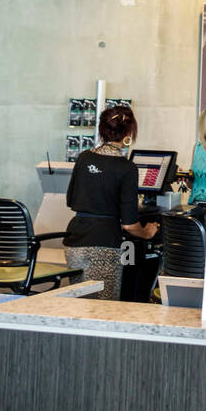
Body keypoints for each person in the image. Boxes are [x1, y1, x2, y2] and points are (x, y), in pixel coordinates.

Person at [63, 105, 158, 300]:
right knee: (103, 307)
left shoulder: (84, 157)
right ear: (128, 134)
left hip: (74, 241)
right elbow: (130, 225)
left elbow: (71, 200)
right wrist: (147, 232)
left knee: (79, 303)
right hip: (103, 245)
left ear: (102, 130)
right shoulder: (127, 168)